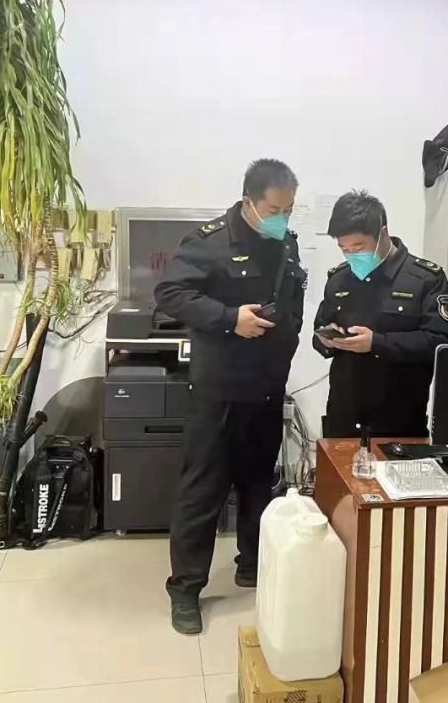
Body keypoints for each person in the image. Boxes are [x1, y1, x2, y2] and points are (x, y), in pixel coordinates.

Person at [154, 158, 305, 635]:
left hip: (266, 387)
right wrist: (228, 318)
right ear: (248, 203)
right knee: (203, 491)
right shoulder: (210, 242)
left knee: (259, 484)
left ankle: (251, 565)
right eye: (275, 210)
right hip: (219, 391)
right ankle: (185, 590)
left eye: (289, 210)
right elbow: (169, 293)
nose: (283, 218)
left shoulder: (285, 242)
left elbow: (291, 300)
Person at [312, 190, 448, 438]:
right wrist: (327, 340)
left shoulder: (425, 279)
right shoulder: (339, 279)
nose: (352, 256)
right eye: (344, 249)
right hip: (343, 417)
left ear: (383, 234)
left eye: (359, 247)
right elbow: (319, 331)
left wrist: (376, 343)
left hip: (399, 420)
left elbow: (441, 342)